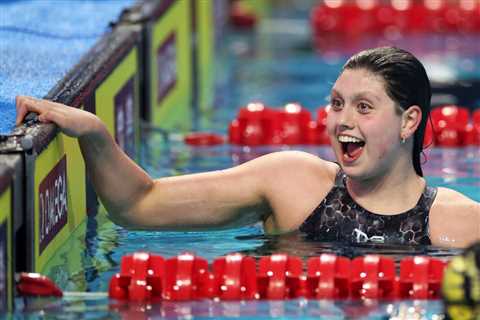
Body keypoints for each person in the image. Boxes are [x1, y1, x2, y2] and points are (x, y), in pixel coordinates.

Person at [16, 47, 480, 248]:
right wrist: (96, 134)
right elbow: (138, 205)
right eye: (337, 103)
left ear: (409, 121)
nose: (343, 121)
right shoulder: (290, 182)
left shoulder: (461, 223)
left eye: (364, 107)